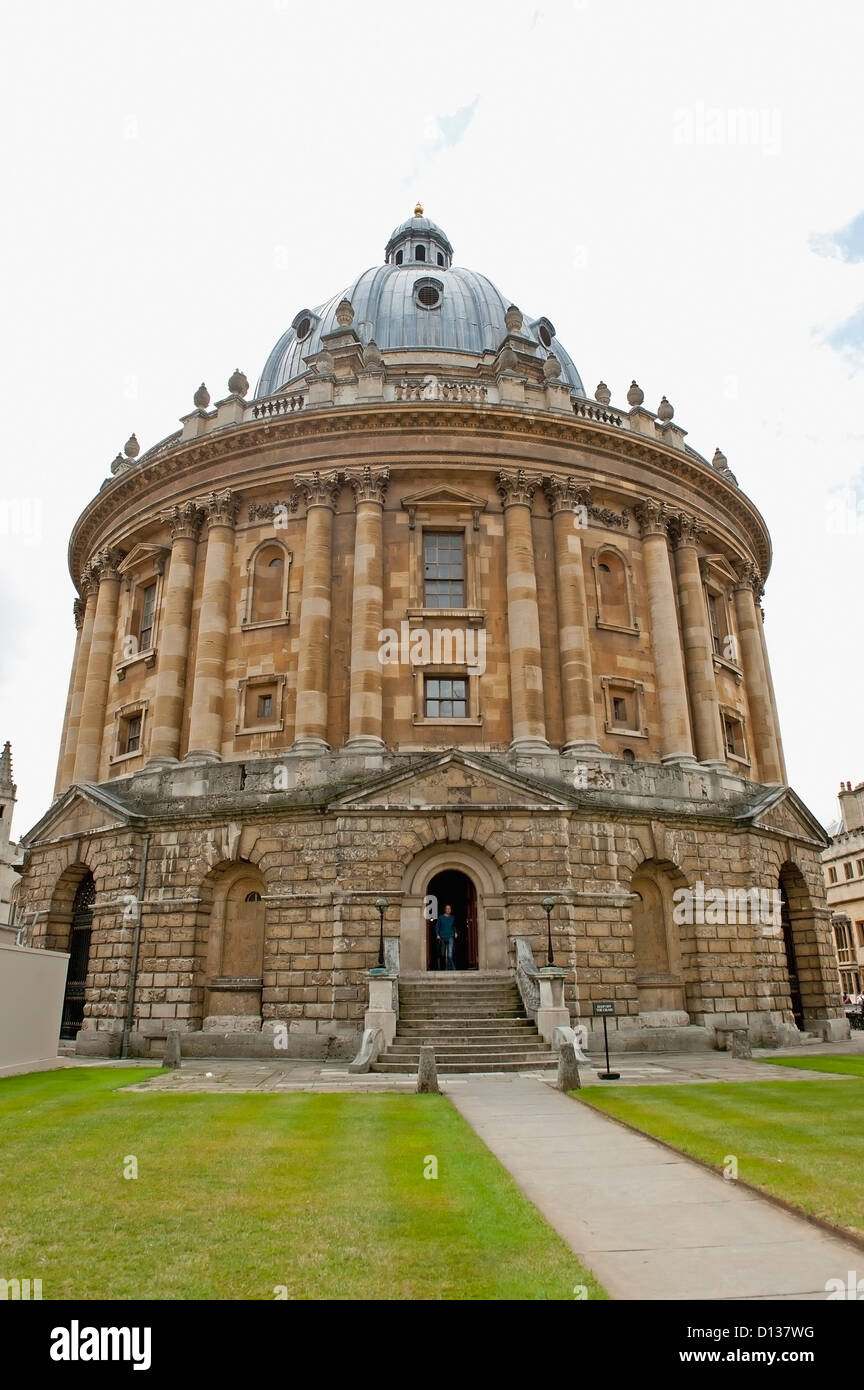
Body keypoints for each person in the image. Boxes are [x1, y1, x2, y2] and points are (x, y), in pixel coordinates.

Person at [435, 904, 458, 971]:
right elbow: (437, 926)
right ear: (445, 910)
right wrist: (437, 934)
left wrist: (455, 932)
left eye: (449, 908)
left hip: (450, 936)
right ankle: (448, 967)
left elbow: (454, 926)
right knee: (443, 954)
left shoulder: (452, 917)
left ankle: (452, 967)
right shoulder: (441, 917)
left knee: (450, 954)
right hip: (442, 937)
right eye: (447, 908)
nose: (448, 910)